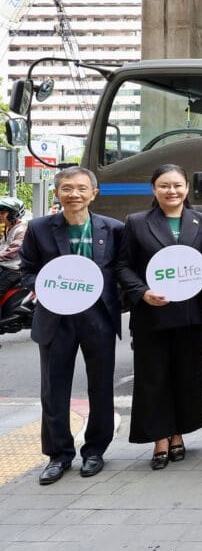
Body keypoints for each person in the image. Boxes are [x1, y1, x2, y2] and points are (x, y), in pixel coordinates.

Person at [21, 167, 123, 484]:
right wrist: (48, 286)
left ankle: (95, 451)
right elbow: (27, 270)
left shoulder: (114, 229)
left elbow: (122, 270)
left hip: (98, 318)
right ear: (57, 193)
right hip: (56, 318)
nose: (74, 194)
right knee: (54, 390)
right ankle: (58, 455)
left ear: (94, 193)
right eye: (67, 188)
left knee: (101, 388)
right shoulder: (39, 229)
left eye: (81, 188)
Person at [117, 164, 202, 470]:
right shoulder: (137, 222)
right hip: (151, 314)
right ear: (153, 189)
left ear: (187, 188)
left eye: (177, 185)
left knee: (185, 376)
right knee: (152, 377)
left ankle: (179, 433)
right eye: (165, 186)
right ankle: (159, 439)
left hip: (188, 314)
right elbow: (123, 266)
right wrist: (141, 292)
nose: (172, 191)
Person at [0, 196, 28, 294]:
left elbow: (10, 253)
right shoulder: (8, 228)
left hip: (13, 271)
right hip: (3, 267)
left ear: (13, 214)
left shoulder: (21, 231)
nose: (0, 215)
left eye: (3, 213)